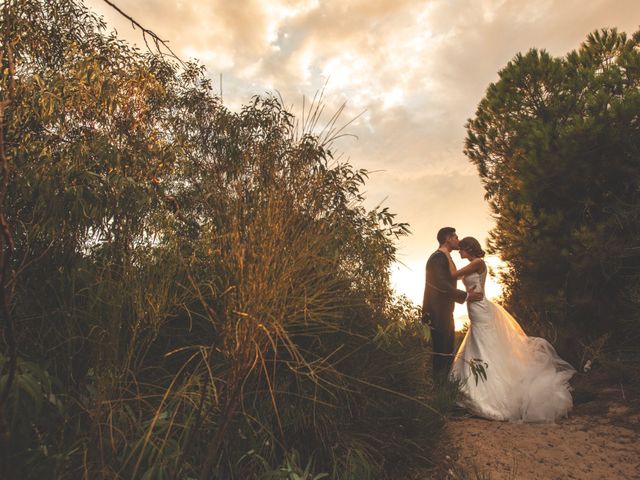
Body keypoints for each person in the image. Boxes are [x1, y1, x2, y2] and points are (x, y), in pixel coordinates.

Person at [445, 236, 575, 422]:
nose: (459, 252)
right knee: (479, 344)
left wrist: (446, 255)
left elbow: (453, 275)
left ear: (469, 248)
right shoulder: (474, 263)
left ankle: (485, 395)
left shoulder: (478, 262)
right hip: (475, 309)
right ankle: (471, 389)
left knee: (483, 345)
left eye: (461, 249)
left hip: (480, 309)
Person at [422, 227, 482, 384]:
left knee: (447, 351)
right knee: (442, 352)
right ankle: (440, 391)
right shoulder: (437, 258)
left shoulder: (445, 257)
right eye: (456, 237)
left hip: (445, 312)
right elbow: (442, 285)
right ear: (448, 238)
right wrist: (466, 295)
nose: (458, 240)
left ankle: (444, 388)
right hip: (437, 313)